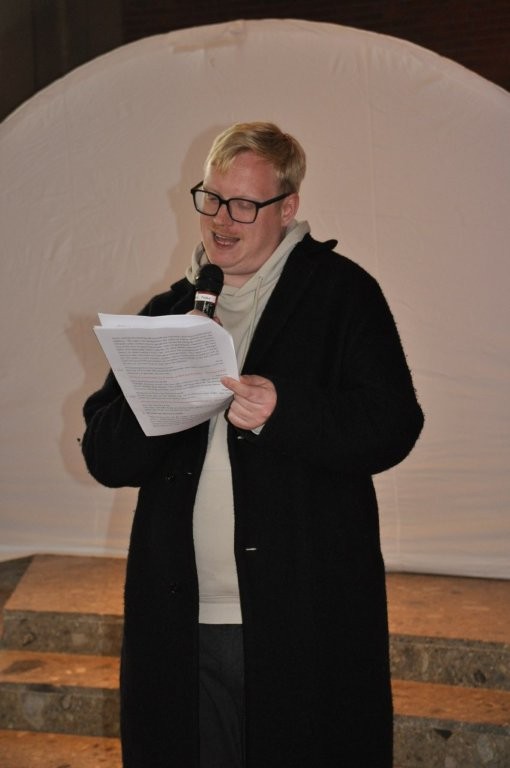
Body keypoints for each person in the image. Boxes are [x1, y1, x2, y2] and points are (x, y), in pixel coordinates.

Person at [82, 121, 424, 768]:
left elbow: (393, 425)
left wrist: (283, 412)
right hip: (181, 622)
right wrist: (160, 393)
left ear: (287, 207)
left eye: (244, 204)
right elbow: (106, 458)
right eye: (212, 198)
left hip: (302, 620)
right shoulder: (169, 311)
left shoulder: (340, 294)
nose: (222, 220)